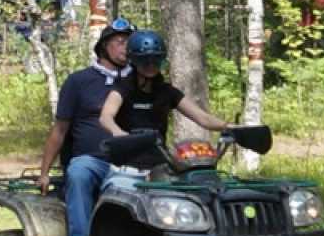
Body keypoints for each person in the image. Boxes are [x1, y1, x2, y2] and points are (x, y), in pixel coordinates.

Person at [37, 17, 136, 236]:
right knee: (78, 174)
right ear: (104, 46)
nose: (127, 48)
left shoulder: (140, 81)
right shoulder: (79, 81)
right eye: (121, 42)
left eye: (131, 43)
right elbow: (60, 130)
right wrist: (44, 171)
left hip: (132, 162)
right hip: (91, 160)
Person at [98, 30, 231, 189]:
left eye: (156, 60)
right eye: (145, 61)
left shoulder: (167, 92)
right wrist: (118, 133)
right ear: (134, 61)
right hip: (126, 168)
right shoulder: (122, 88)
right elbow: (105, 116)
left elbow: (203, 118)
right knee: (120, 193)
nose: (151, 65)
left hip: (160, 168)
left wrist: (230, 127)